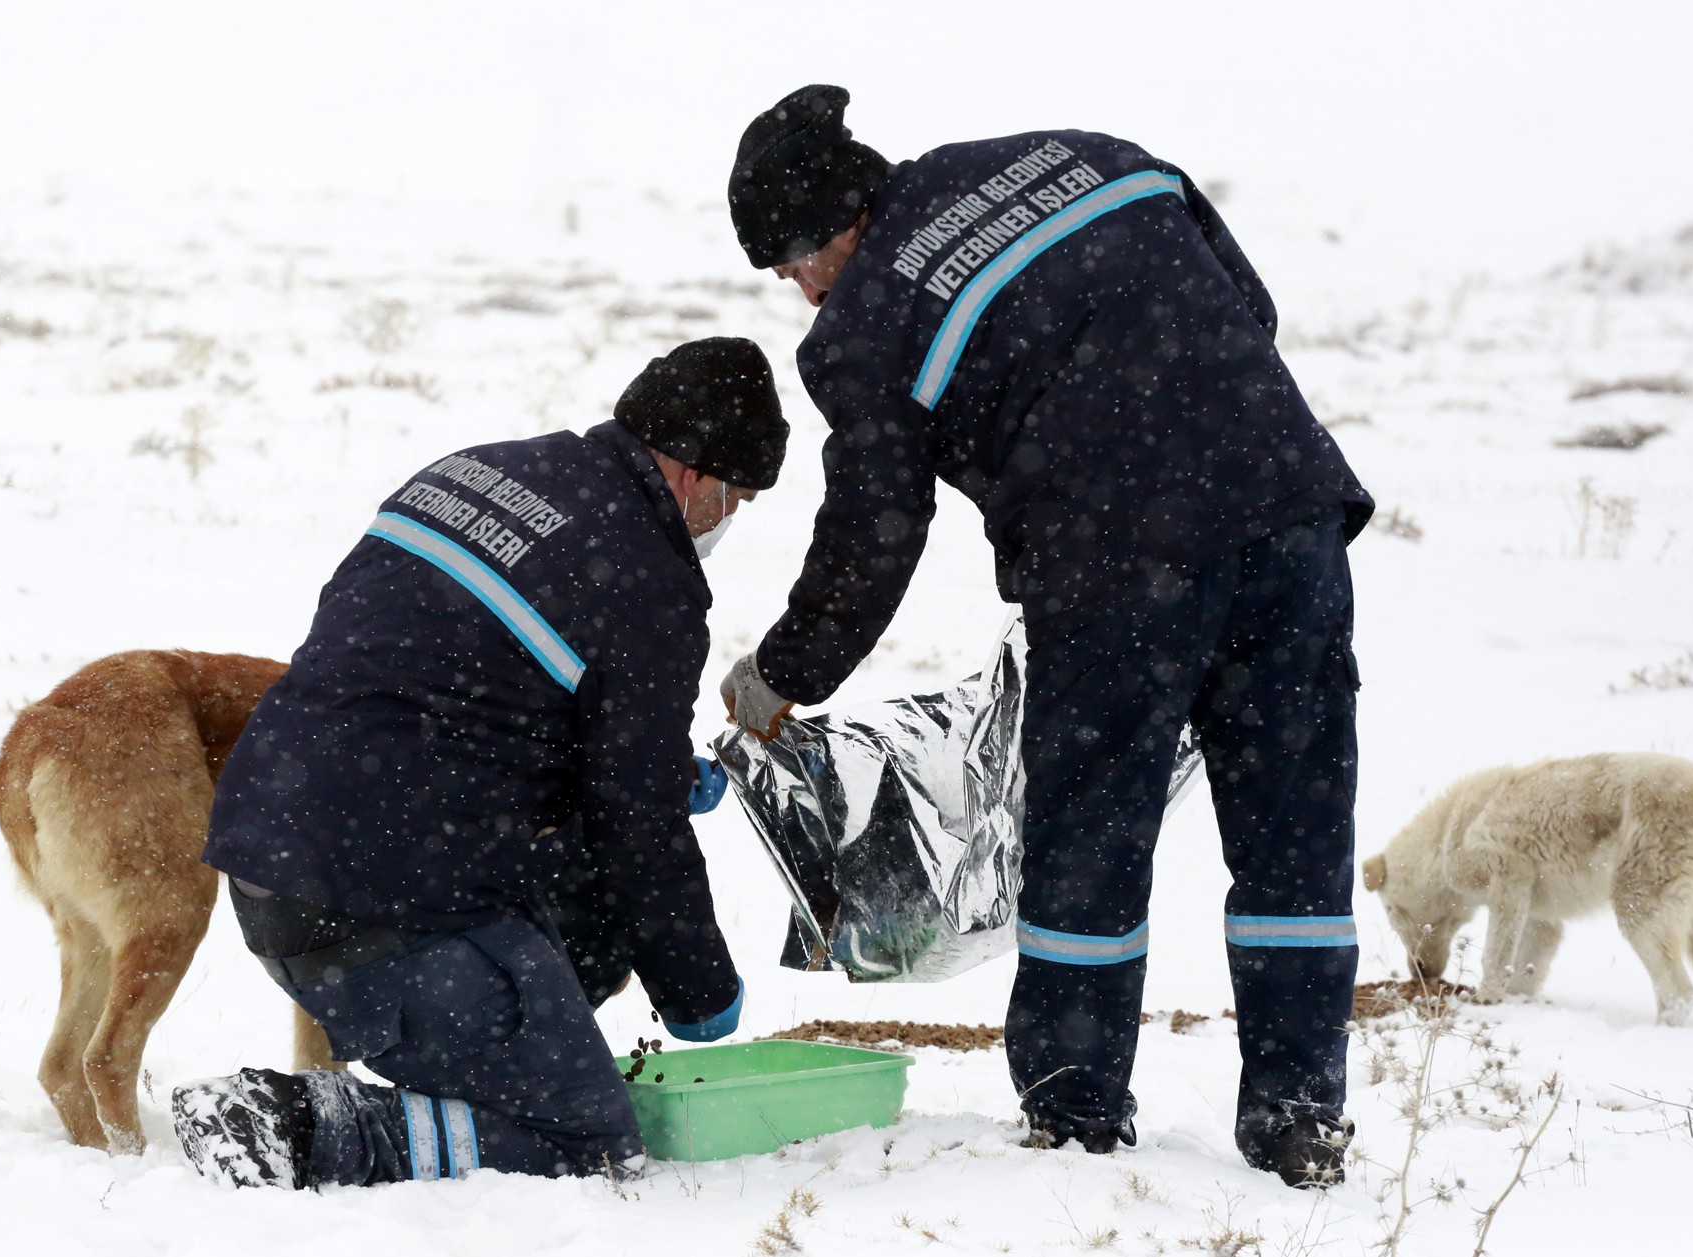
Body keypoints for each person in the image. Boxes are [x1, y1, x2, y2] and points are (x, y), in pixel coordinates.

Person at [717, 86, 1372, 1187]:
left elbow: (874, 532)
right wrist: (1191, 440)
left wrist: (782, 672)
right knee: (1293, 831)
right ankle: (1300, 1117)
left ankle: (1073, 1118)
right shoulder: (1090, 156)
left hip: (1114, 568)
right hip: (1282, 511)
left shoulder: (861, 327)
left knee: (1087, 841)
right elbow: (1241, 306)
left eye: (790, 270)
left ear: (831, 230)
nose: (801, 295)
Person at [173, 337, 787, 1189]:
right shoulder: (649, 580)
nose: (728, 519)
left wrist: (642, 760)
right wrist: (697, 987)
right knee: (591, 1139)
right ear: (693, 473)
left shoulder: (471, 472)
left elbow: (431, 672)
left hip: (273, 851)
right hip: (391, 898)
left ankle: (519, 1035)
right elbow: (635, 825)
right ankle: (297, 1126)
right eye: (737, 498)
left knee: (586, 901)